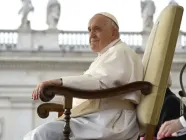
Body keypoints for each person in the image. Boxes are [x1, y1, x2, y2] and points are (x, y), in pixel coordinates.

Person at [23, 12, 144, 140]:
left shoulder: (120, 52)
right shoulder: (106, 55)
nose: (91, 35)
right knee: (35, 135)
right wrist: (57, 94)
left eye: (97, 30)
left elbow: (96, 83)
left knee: (42, 134)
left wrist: (57, 83)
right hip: (99, 117)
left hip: (110, 121)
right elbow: (90, 88)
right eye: (89, 30)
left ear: (113, 32)